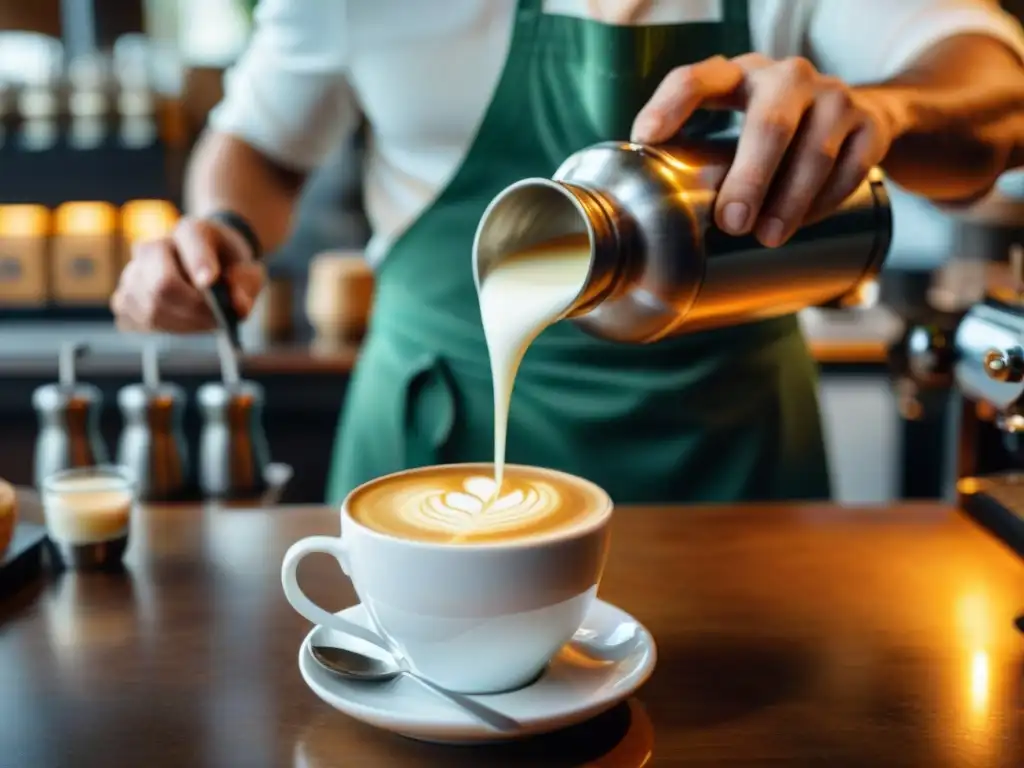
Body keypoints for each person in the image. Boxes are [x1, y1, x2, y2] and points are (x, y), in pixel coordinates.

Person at [112, 0, 1024, 505]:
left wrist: (890, 113)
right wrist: (224, 231)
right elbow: (262, 145)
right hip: (438, 429)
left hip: (725, 455)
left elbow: (995, 85)